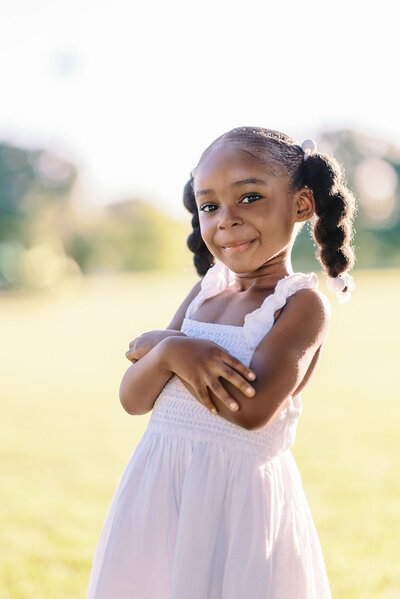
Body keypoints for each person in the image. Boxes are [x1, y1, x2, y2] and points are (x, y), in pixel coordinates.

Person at [86, 126, 357, 599]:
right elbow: (133, 398)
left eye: (249, 198)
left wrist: (170, 349)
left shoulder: (300, 305)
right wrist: (173, 350)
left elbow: (250, 412)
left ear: (302, 205)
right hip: (162, 490)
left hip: (236, 504)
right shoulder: (205, 292)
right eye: (209, 206)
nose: (226, 221)